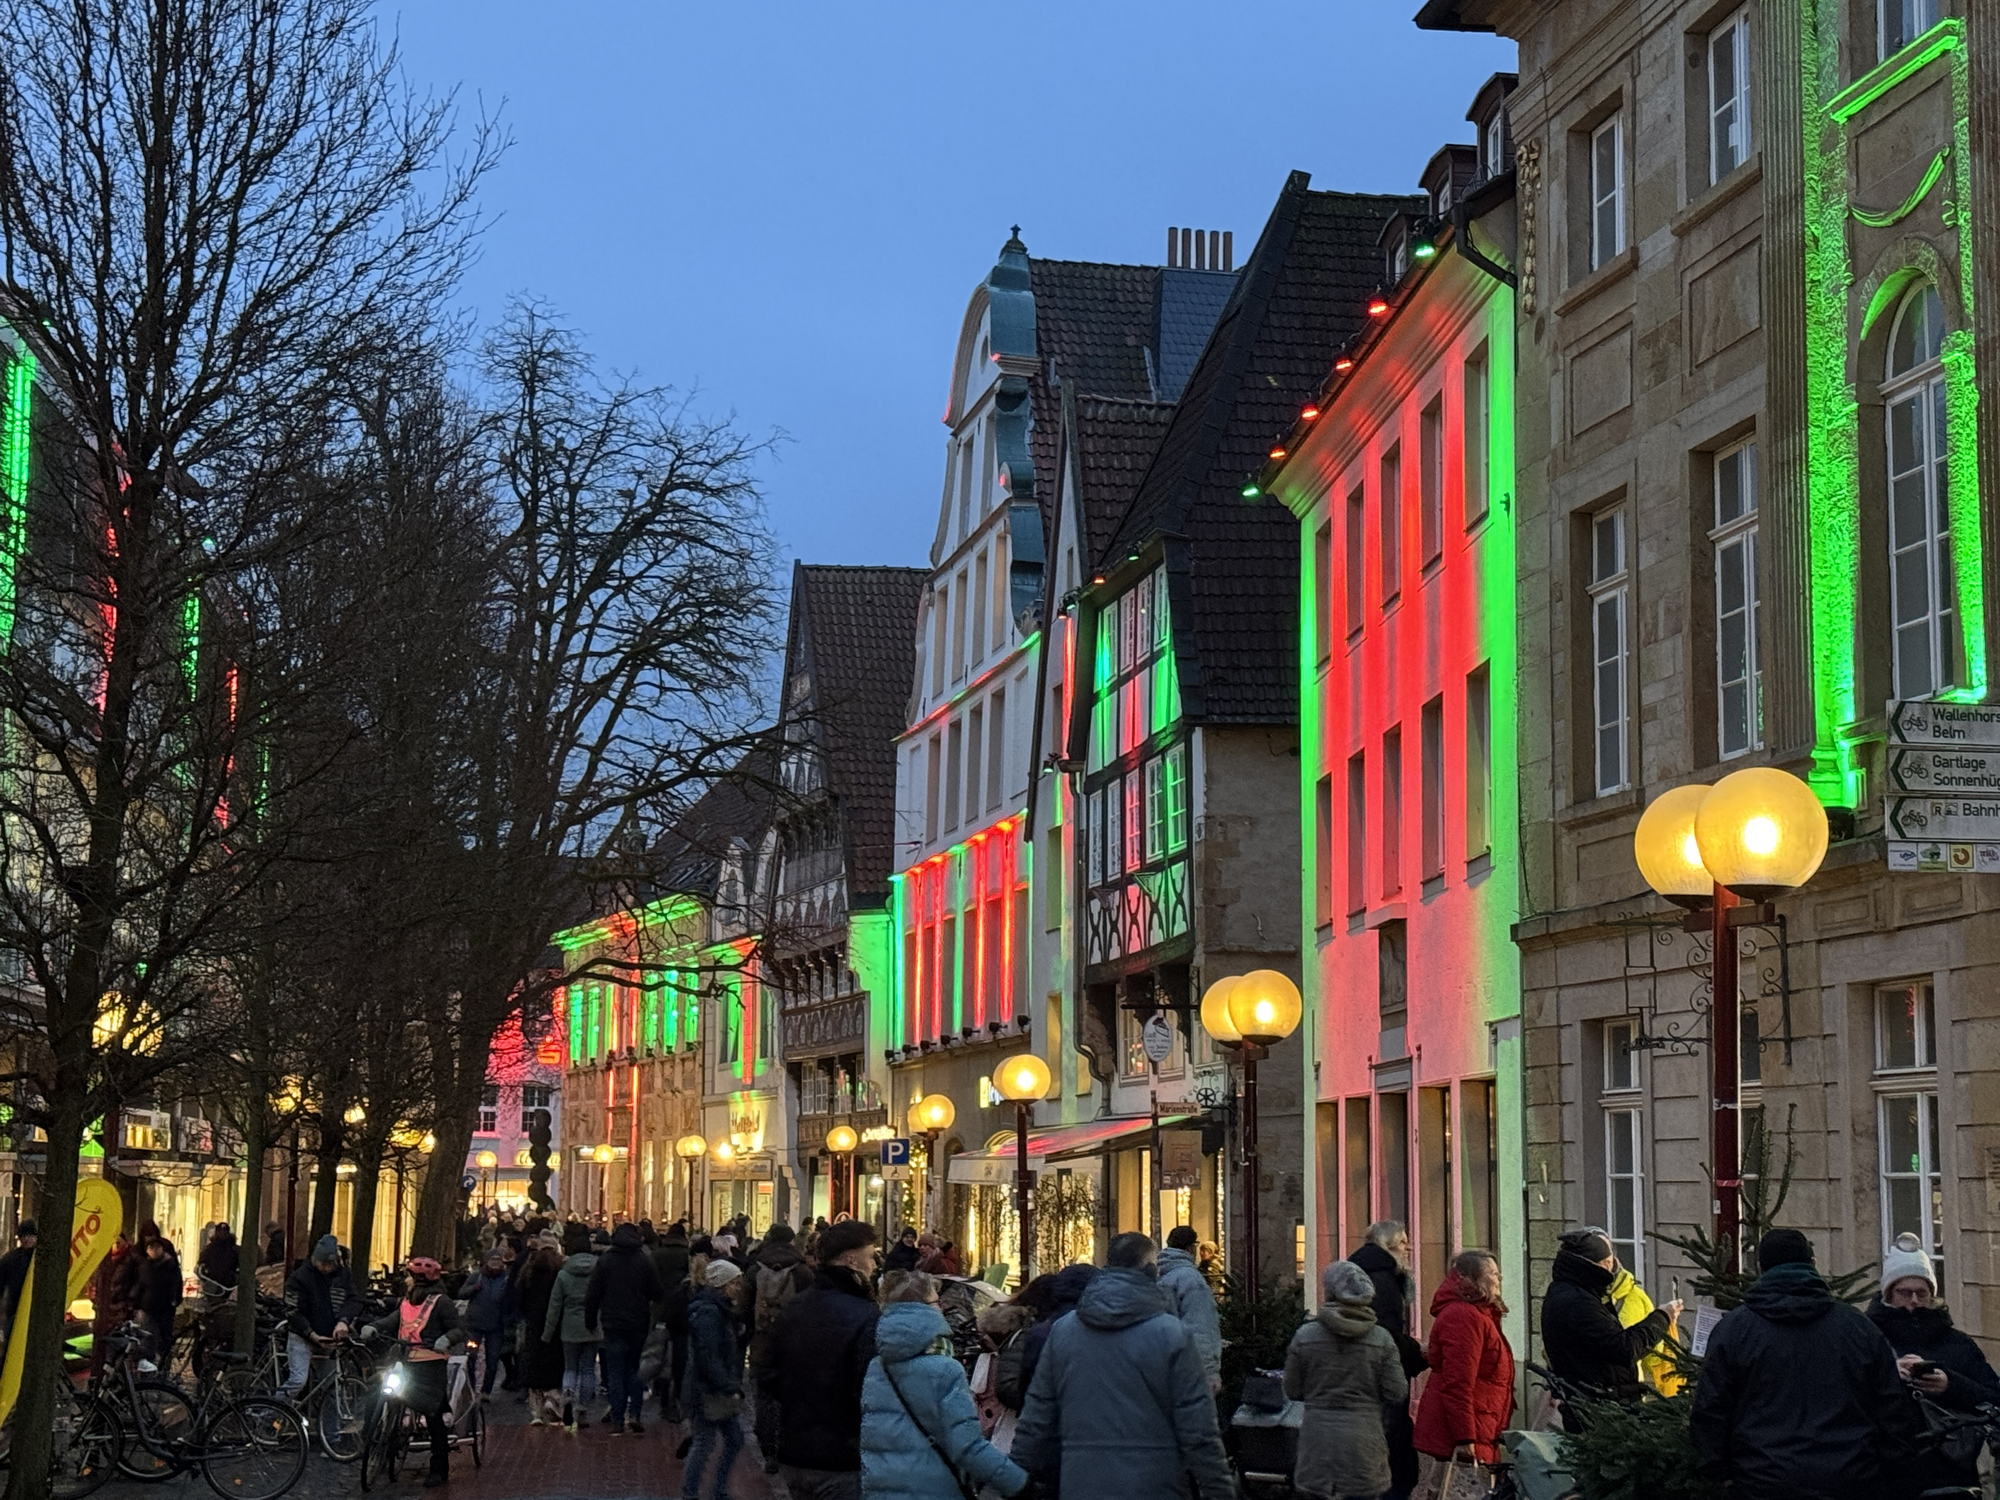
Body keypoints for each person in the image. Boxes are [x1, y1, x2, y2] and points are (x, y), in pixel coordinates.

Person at [1692, 1228, 1922, 1500]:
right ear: (1812, 1264)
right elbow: (1892, 1411)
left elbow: (1710, 1411)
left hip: (1762, 1481)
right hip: (1850, 1479)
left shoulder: (1734, 1330)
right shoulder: (1858, 1329)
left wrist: (1723, 1475)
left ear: (1761, 1267)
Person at [1012, 1232, 1234, 1500]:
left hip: (1081, 1483)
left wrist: (1008, 1480)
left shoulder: (1064, 1332)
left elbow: (1034, 1420)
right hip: (1155, 1484)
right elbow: (1199, 1430)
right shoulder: (1171, 1334)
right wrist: (1219, 1490)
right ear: (1151, 1270)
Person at [860, 1271, 1028, 1500]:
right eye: (936, 1301)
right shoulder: (944, 1370)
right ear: (924, 1309)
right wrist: (1019, 1482)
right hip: (932, 1491)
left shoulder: (877, 1368)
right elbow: (968, 1448)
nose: (942, 1308)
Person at [755, 1219, 882, 1500]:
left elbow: (766, 1372)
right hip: (841, 1455)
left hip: (795, 1449)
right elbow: (870, 1389)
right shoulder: (865, 1315)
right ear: (851, 1260)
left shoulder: (795, 1308)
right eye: (870, 1256)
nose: (873, 1265)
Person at [1867, 1234, 2000, 1496]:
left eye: (1922, 1292)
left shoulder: (1957, 1344)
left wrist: (1950, 1384)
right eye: (1905, 1292)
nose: (1914, 1300)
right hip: (1887, 1475)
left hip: (1951, 1476)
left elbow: (1993, 1397)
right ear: (1888, 1294)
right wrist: (1889, 1375)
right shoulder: (1868, 1340)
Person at [1285, 1260, 1411, 1500]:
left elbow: (1291, 1389)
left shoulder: (1305, 1336)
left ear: (1330, 1291)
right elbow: (1396, 1391)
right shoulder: (1381, 1339)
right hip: (1365, 1442)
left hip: (1317, 1442)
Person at [1540, 1227, 1679, 1425]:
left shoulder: (1570, 1293)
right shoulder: (1579, 1302)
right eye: (1606, 1263)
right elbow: (1624, 1348)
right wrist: (1663, 1317)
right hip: (1599, 1410)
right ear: (1592, 1265)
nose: (1610, 1269)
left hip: (1595, 1403)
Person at [1411, 1249, 1515, 1488]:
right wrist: (1465, 1437)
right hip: (1462, 1434)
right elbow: (1458, 1382)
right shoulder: (1464, 1316)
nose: (1498, 1279)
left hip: (1478, 1427)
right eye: (1491, 1274)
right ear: (1469, 1279)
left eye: (1498, 1274)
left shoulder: (1481, 1315)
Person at [362, 1255, 466, 1488]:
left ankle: (439, 1467)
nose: (409, 1282)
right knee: (379, 1390)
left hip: (430, 1364)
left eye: (412, 1279)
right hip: (405, 1360)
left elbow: (459, 1329)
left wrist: (446, 1338)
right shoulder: (406, 1301)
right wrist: (374, 1327)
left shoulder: (442, 1302)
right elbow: (393, 1319)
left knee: (433, 1413)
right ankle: (373, 1438)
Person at [1349, 1220, 1424, 1499]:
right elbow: (1387, 1334)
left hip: (1359, 1379)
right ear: (1388, 1245)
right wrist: (1417, 1353)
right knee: (1391, 1452)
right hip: (1382, 1378)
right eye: (1403, 1242)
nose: (1408, 1248)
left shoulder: (1360, 1272)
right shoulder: (1385, 1279)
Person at [744, 1222, 813, 1462]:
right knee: (791, 1392)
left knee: (763, 1394)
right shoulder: (802, 1271)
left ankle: (768, 1446)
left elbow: (743, 1308)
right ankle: (787, 1442)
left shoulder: (755, 1269)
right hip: (795, 1342)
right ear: (792, 1241)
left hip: (763, 1340)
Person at [586, 1220, 663, 1433]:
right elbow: (657, 1292)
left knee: (615, 1371)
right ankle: (635, 1413)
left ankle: (618, 1418)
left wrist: (590, 1319)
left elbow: (593, 1293)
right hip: (638, 1321)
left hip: (612, 1322)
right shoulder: (644, 1260)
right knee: (635, 1369)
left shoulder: (606, 1260)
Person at [683, 1261, 747, 1500]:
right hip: (708, 1389)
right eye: (734, 1283)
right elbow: (708, 1354)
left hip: (712, 1385)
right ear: (722, 1284)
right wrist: (727, 1385)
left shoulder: (718, 1309)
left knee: (731, 1439)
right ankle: (694, 1492)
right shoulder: (709, 1312)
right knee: (706, 1442)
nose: (738, 1288)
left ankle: (715, 1489)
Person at [281, 1234, 364, 1396]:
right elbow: (293, 1312)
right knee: (298, 1380)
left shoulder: (342, 1275)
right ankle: (273, 1413)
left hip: (328, 1337)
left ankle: (329, 1421)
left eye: (330, 1264)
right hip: (303, 1335)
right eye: (323, 1263)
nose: (327, 1268)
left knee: (332, 1386)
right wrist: (310, 1334)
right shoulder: (299, 1278)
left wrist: (343, 1321)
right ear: (314, 1259)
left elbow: (354, 1299)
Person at [544, 1224, 602, 1432]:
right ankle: (583, 1408)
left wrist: (548, 1332)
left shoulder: (564, 1274)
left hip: (569, 1326)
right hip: (593, 1324)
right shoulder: (598, 1271)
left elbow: (555, 1305)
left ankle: (567, 1394)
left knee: (570, 1367)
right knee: (588, 1368)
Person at [1158, 1224, 1223, 1392]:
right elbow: (1200, 1326)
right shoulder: (1191, 1279)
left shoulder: (1159, 1274)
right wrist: (1209, 1371)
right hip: (1185, 1366)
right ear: (1191, 1248)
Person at [516, 1241, 567, 1424]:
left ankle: (536, 1411)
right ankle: (552, 1399)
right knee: (554, 1363)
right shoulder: (559, 1272)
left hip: (533, 1323)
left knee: (533, 1363)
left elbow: (518, 1297)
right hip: (556, 1324)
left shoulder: (528, 1272)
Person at [462, 1248, 518, 1397]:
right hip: (475, 1325)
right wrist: (474, 1288)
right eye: (492, 1260)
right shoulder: (477, 1277)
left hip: (496, 1327)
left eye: (498, 1260)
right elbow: (462, 1293)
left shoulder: (507, 1279)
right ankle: (472, 1388)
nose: (495, 1263)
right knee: (471, 1357)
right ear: (486, 1261)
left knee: (493, 1360)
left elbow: (512, 1300)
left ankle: (486, 1391)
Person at [135, 1227, 182, 1341]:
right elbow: (140, 1285)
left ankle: (164, 1355)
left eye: (157, 1247)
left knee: (164, 1336)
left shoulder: (170, 1265)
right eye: (151, 1247)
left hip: (165, 1307)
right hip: (147, 1307)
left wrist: (175, 1300)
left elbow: (177, 1283)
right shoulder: (144, 1266)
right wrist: (136, 1303)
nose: (154, 1250)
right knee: (147, 1335)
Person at [0, 1222, 35, 1350]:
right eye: (24, 1236)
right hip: (15, 1309)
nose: (27, 1239)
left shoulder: (11, 1258)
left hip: (23, 1309)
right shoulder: (10, 1259)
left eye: (30, 1236)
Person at [196, 1223, 239, 1294]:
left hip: (229, 1283)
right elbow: (201, 1264)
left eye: (224, 1232)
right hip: (214, 1282)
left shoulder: (234, 1249)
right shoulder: (209, 1249)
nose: (222, 1234)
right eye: (221, 1231)